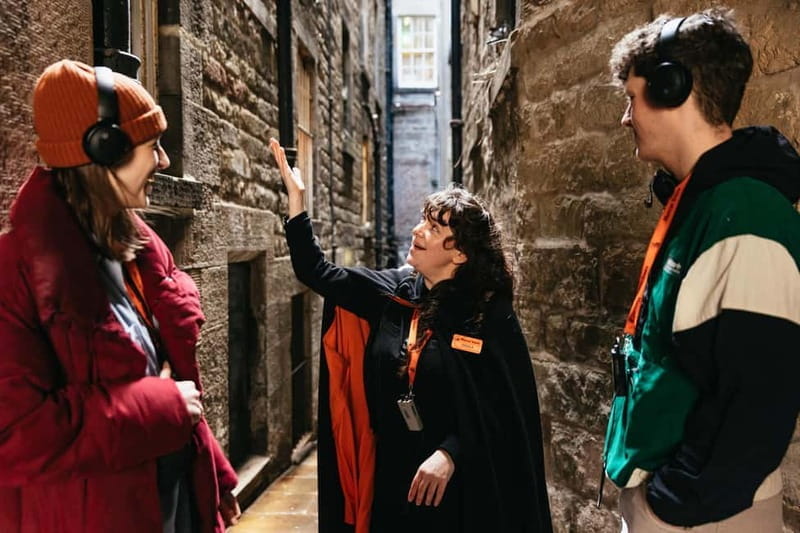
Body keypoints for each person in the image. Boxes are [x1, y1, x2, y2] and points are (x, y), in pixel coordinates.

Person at [0, 59, 241, 533]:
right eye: (153, 146)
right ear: (102, 149)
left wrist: (213, 475)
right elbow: (16, 433)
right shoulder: (15, 274)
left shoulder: (136, 255)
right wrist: (163, 407)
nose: (165, 161)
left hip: (168, 505)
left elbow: (168, 380)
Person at [269, 138, 553, 532]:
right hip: (391, 481)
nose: (418, 230)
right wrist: (297, 205)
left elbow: (501, 409)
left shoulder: (487, 316)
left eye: (433, 228)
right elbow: (317, 272)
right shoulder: (394, 294)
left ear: (460, 253)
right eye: (423, 220)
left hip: (459, 495)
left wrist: (451, 453)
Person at [601, 8, 800, 532]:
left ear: (673, 88)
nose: (626, 117)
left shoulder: (747, 213)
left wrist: (668, 505)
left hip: (704, 516)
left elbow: (759, 401)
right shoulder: (701, 201)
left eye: (632, 97)